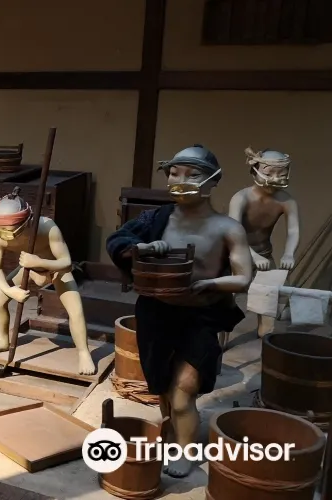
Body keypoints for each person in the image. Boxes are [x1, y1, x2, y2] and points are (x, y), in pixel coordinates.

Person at [105, 144, 253, 478]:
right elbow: (118, 240)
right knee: (161, 386)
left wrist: (211, 284)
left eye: (192, 174)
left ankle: (185, 451)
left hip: (199, 317)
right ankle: (170, 435)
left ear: (213, 181)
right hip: (156, 312)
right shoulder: (156, 218)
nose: (180, 180)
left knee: (183, 391)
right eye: (174, 173)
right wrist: (140, 248)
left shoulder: (228, 228)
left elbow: (243, 278)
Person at [0, 190, 96, 375]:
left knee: (76, 310)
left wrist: (39, 262)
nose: (7, 237)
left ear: (28, 223)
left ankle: (83, 352)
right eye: (2, 232)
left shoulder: (48, 228)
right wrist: (9, 290)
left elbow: (66, 263)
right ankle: (2, 339)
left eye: (13, 232)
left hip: (55, 271)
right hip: (28, 270)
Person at [228, 148, 299, 336]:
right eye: (269, 173)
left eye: (281, 174)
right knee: (225, 300)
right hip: (236, 255)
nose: (274, 179)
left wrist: (289, 253)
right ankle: (219, 340)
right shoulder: (241, 198)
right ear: (255, 171)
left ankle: (265, 335)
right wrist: (253, 256)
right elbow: (234, 233)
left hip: (265, 254)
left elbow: (293, 230)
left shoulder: (286, 201)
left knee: (269, 300)